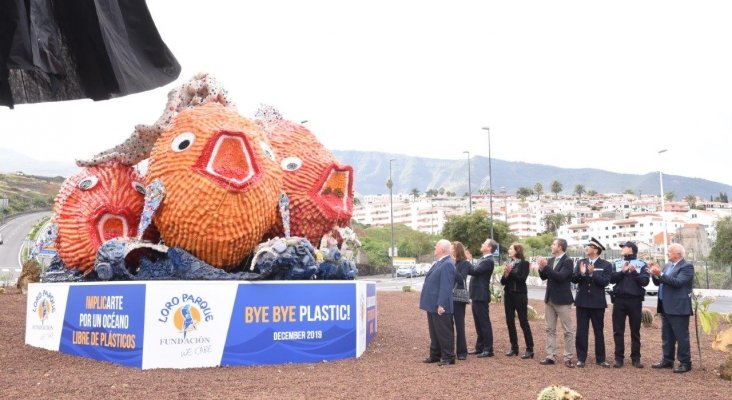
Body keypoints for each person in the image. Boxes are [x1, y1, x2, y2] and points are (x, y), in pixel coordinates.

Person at [649, 243, 694, 373]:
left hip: (678, 307)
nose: (667, 253)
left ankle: (685, 362)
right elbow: (659, 282)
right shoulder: (668, 266)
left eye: (669, 251)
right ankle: (667, 360)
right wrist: (654, 274)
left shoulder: (686, 267)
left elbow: (678, 283)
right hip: (665, 306)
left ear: (678, 254)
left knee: (681, 336)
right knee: (667, 335)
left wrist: (661, 274)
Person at [571, 237, 612, 368]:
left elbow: (605, 282)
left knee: (598, 331)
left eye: (589, 246)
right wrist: (582, 274)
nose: (586, 248)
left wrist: (592, 273)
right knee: (581, 331)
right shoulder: (580, 262)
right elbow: (574, 279)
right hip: (582, 301)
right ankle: (581, 358)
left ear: (595, 249)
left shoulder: (606, 265)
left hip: (597, 302)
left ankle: (601, 359)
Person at [536, 238, 575, 368]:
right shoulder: (551, 260)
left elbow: (560, 277)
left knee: (567, 330)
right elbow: (544, 277)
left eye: (553, 244)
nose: (551, 246)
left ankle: (568, 357)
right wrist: (541, 268)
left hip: (563, 300)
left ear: (560, 247)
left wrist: (545, 266)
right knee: (549, 329)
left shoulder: (568, 261)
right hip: (550, 299)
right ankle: (550, 356)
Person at [609, 241, 649, 368]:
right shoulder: (617, 263)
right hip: (619, 300)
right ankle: (618, 358)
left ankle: (636, 358)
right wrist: (622, 272)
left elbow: (645, 281)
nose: (621, 249)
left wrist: (634, 272)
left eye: (624, 247)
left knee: (635, 331)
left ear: (631, 249)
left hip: (635, 301)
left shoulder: (642, 264)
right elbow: (611, 279)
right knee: (618, 331)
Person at [419, 239, 457, 366]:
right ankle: (435, 355)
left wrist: (441, 304)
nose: (435, 248)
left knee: (444, 332)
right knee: (434, 331)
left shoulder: (447, 264)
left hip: (440, 304)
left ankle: (448, 357)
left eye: (436, 246)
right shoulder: (439, 263)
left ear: (441, 249)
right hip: (432, 304)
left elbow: (446, 286)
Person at [500, 242, 534, 359]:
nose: (509, 250)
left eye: (511, 249)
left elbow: (522, 279)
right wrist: (505, 274)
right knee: (510, 322)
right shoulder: (510, 264)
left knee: (523, 321)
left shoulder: (525, 264)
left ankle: (530, 349)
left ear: (517, 251)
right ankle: (514, 348)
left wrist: (511, 273)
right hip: (508, 295)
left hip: (520, 295)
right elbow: (503, 282)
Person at [468, 238, 497, 358]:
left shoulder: (488, 261)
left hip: (481, 295)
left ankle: (488, 349)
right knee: (478, 323)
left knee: (484, 323)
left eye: (484, 243)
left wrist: (468, 260)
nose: (481, 244)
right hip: (476, 295)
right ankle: (479, 347)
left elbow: (474, 271)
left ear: (489, 248)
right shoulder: (483, 259)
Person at [451, 241, 471, 360]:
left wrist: (453, 265)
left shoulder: (464, 263)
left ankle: (462, 351)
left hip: (458, 297)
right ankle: (449, 350)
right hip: (448, 296)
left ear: (457, 250)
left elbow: (461, 279)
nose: (450, 250)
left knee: (459, 325)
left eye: (452, 249)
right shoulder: (448, 262)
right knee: (448, 325)